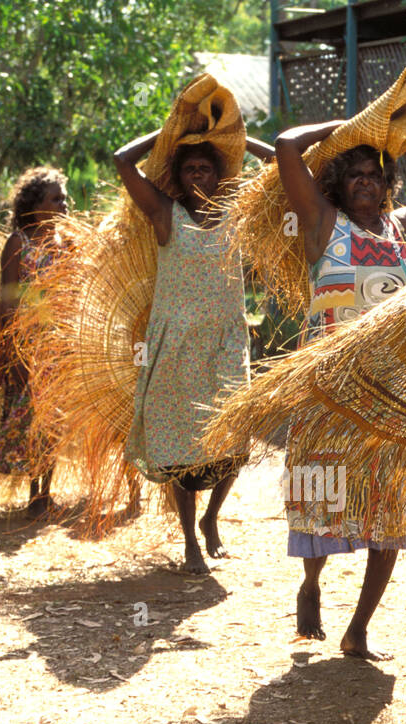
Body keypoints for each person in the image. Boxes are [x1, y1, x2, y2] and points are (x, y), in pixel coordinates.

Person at [274, 122, 406, 658]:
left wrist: (405, 144)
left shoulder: (404, 226)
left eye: (375, 174)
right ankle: (311, 583)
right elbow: (285, 146)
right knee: (321, 497)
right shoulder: (323, 224)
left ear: (388, 181)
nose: (366, 182)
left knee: (389, 514)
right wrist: (343, 131)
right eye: (355, 175)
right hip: (329, 390)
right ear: (338, 184)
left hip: (392, 393)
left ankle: (358, 629)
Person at [116, 131, 275, 573]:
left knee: (234, 441)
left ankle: (211, 519)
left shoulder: (237, 214)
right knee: (180, 446)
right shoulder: (165, 213)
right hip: (175, 346)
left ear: (221, 174)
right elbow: (123, 161)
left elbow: (281, 163)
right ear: (179, 178)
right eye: (190, 168)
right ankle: (189, 540)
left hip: (226, 342)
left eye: (207, 166)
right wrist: (169, 133)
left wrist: (235, 138)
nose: (199, 174)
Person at [0, 167, 66, 517]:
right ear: (34, 204)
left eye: (63, 198)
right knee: (29, 417)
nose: (63, 205)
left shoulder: (63, 242)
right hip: (26, 341)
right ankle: (34, 493)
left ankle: (44, 493)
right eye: (55, 199)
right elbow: (8, 300)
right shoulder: (18, 243)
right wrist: (13, 352)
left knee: (52, 419)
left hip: (56, 342)